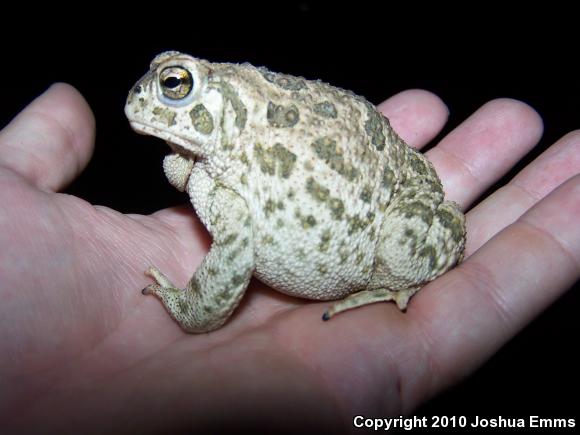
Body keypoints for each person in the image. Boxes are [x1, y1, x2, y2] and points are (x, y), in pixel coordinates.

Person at [0, 83, 578, 433]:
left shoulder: (227, 169)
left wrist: (191, 308)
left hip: (386, 207)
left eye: (176, 86)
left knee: (407, 246)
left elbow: (235, 248)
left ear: (220, 107)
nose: (150, 94)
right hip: (358, 165)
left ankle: (403, 274)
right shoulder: (217, 166)